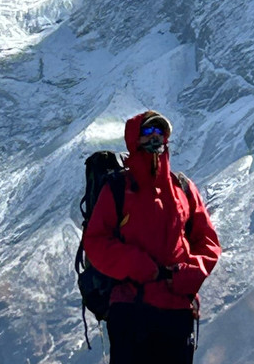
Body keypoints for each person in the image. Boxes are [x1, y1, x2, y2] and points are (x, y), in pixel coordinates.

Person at [83, 111, 221, 364]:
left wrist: (187, 275)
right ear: (134, 139)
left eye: (160, 132)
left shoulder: (183, 188)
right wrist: (137, 265)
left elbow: (208, 242)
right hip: (130, 309)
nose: (155, 137)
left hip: (176, 309)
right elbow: (96, 241)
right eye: (148, 132)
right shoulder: (117, 188)